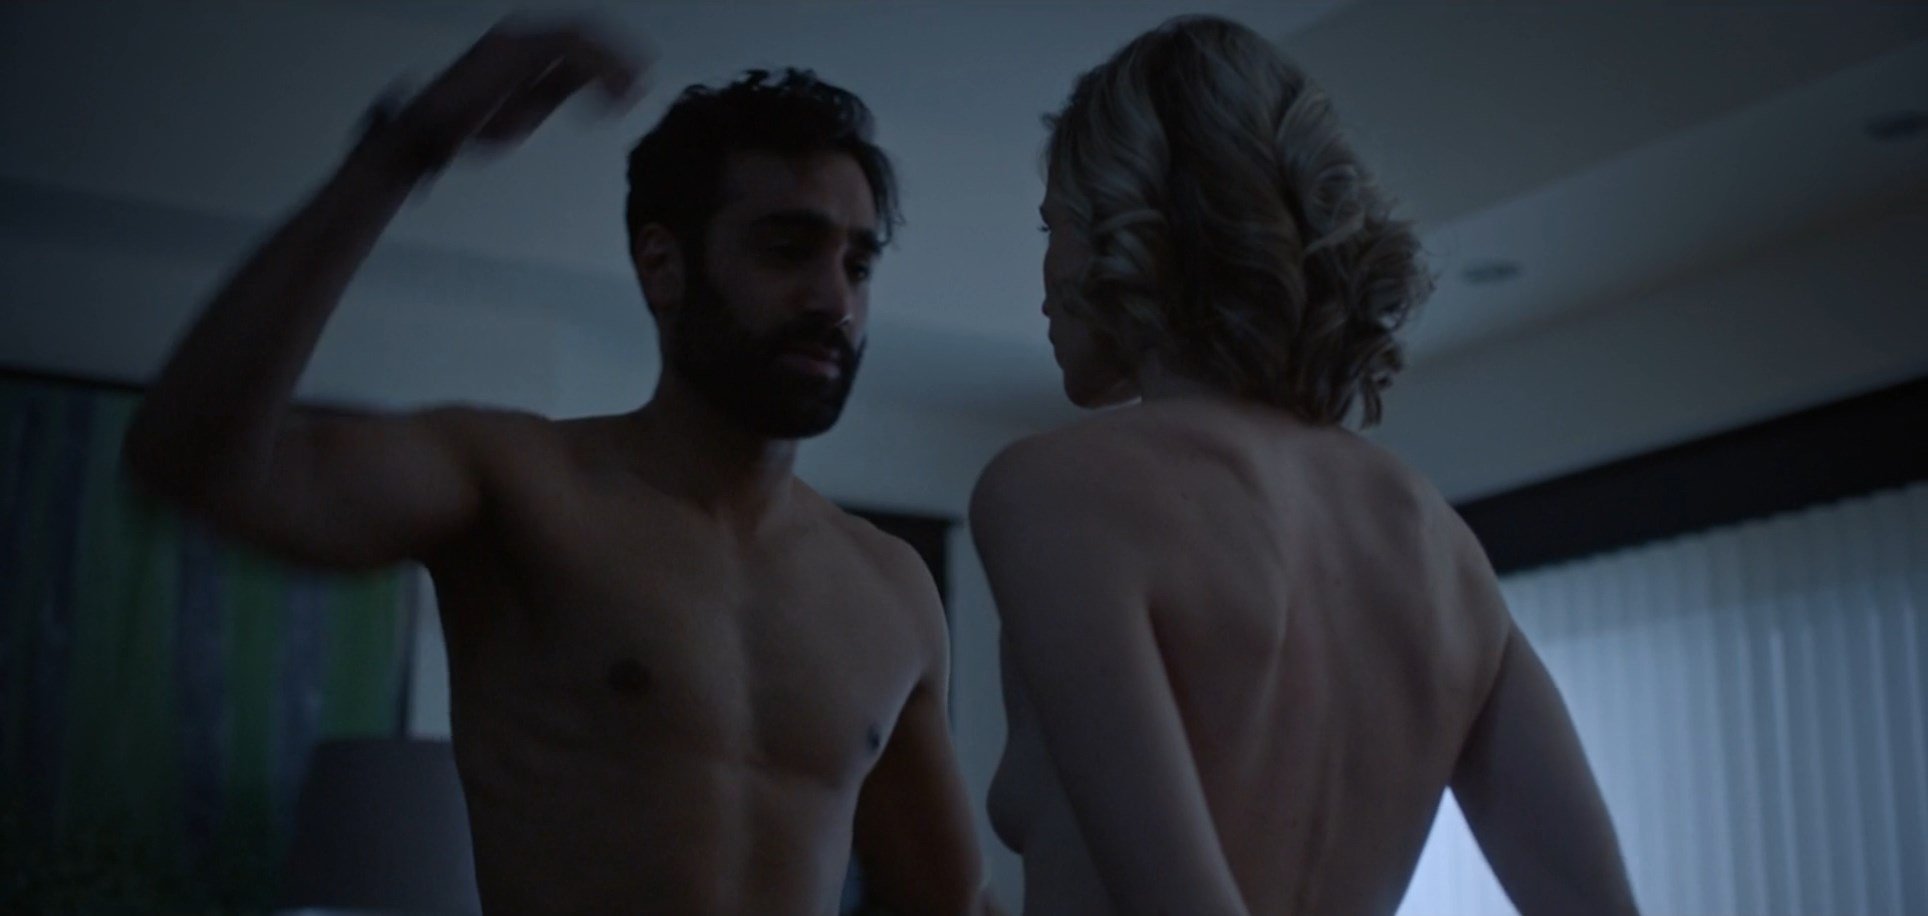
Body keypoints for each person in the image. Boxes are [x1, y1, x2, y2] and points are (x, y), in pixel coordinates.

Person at [122, 18, 989, 915]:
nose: (835, 299)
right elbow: (192, 464)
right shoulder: (518, 483)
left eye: (858, 262)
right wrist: (402, 151)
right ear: (663, 266)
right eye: (787, 248)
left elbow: (949, 904)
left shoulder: (891, 589)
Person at [970, 15, 1640, 916]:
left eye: (1052, 224)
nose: (1045, 278)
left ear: (1123, 225)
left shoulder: (1056, 490)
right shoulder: (1439, 545)